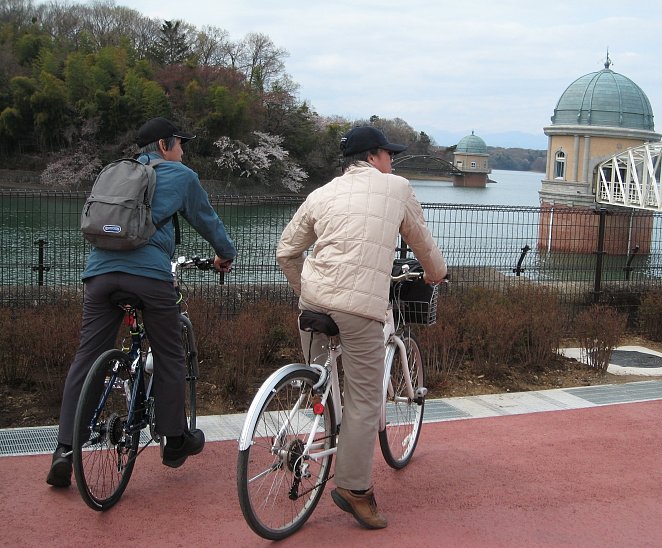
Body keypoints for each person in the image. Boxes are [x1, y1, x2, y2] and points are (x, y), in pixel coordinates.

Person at [46, 117, 237, 487]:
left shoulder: (116, 173)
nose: (183, 152)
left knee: (87, 358)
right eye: (181, 144)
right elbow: (206, 220)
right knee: (169, 354)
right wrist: (224, 255)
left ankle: (64, 450)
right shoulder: (181, 176)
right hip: (150, 278)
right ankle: (175, 440)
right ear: (165, 145)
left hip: (99, 275)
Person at [276, 126, 447, 529]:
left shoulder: (321, 193)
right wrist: (436, 273)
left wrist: (308, 291)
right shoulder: (397, 188)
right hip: (360, 310)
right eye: (390, 154)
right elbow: (421, 242)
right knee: (365, 400)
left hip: (312, 305)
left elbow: (286, 250)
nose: (393, 162)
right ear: (373, 156)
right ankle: (355, 489)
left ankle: (318, 430)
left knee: (326, 384)